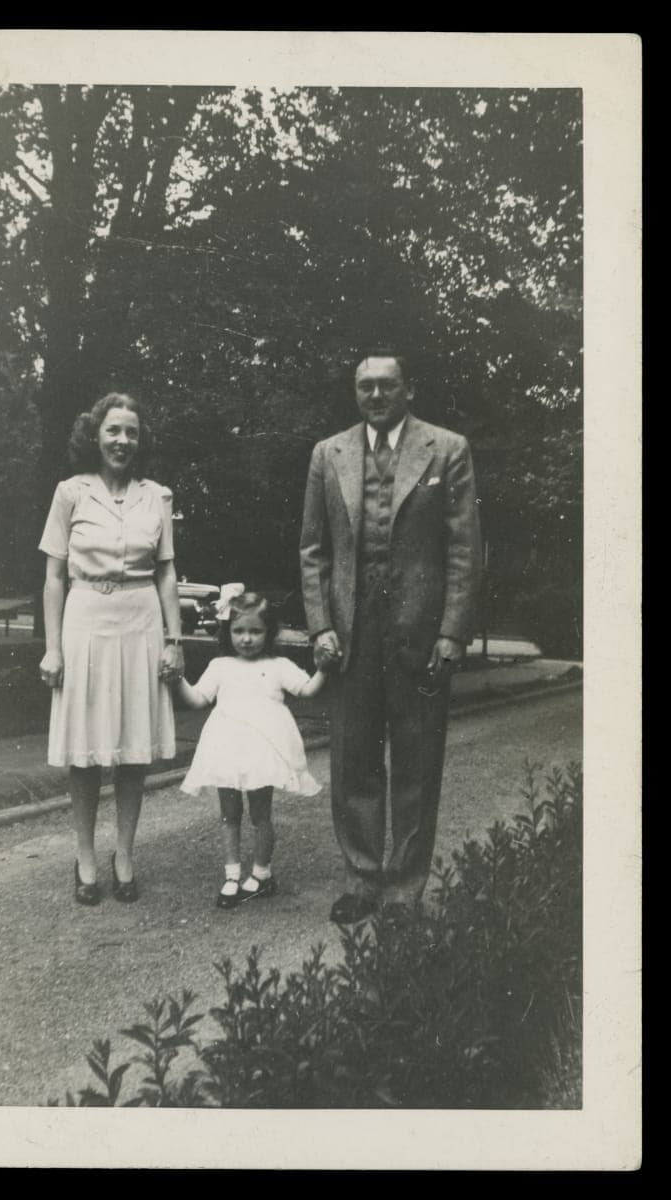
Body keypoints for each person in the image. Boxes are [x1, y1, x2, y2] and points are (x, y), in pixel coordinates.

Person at [300, 351, 482, 925]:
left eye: (386, 385)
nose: (375, 396)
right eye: (365, 387)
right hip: (352, 636)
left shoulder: (446, 449)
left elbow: (463, 549)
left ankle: (404, 889)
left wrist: (453, 632)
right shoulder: (328, 454)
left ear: (409, 389)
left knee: (415, 763)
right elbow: (313, 551)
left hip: (419, 638)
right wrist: (321, 625)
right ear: (355, 393)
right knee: (353, 762)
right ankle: (360, 878)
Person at [38, 392, 185, 906]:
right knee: (85, 749)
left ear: (140, 442)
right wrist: (52, 648)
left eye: (131, 433)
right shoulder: (70, 493)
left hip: (140, 621)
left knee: (131, 746)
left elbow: (166, 571)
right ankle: (85, 856)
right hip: (85, 622)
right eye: (113, 431)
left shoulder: (157, 497)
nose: (122, 441)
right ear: (95, 436)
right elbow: (54, 578)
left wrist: (174, 639)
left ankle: (124, 853)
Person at [173, 589, 328, 910]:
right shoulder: (220, 665)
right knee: (229, 814)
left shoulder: (279, 665)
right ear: (228, 632)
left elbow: (307, 690)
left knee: (260, 814)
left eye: (255, 631)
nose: (246, 639)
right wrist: (177, 680)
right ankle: (231, 875)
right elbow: (198, 699)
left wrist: (323, 668)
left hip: (263, 750)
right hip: (227, 748)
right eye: (239, 631)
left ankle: (261, 873)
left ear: (269, 633)